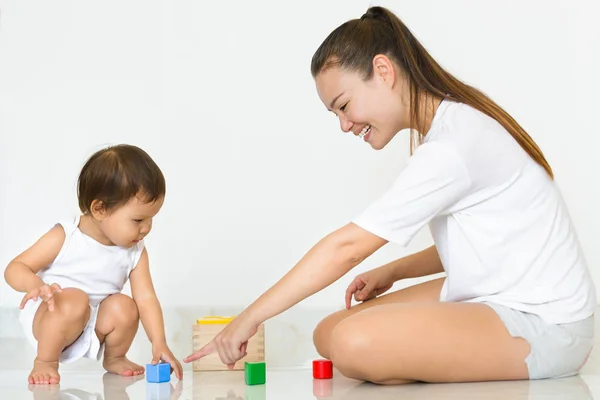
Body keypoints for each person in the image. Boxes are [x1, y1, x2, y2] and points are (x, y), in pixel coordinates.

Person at [184, 6, 596, 384]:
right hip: (497, 294)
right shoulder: (448, 130)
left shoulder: (452, 147)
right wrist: (394, 271)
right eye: (336, 114)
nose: (344, 125)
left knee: (353, 344)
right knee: (328, 334)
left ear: (383, 70)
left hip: (548, 326)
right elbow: (489, 239)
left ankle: (443, 355)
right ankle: (437, 353)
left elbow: (346, 248)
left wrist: (248, 318)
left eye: (344, 106)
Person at [4, 144, 183, 385]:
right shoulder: (65, 236)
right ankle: (45, 361)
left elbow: (146, 299)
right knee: (75, 299)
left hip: (92, 323)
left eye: (151, 219)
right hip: (51, 318)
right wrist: (34, 284)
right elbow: (15, 268)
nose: (147, 228)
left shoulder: (135, 250)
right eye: (139, 219)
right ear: (99, 209)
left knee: (126, 306)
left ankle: (115, 357)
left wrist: (159, 342)